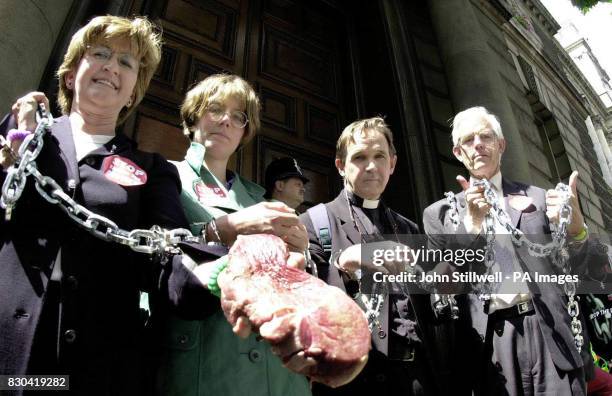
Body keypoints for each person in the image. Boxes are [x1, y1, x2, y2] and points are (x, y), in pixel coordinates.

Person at [0, 16, 222, 396]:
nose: (110, 66)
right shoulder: (23, 135)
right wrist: (14, 150)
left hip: (97, 364)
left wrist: (218, 275)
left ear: (133, 93)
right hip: (9, 348)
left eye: (126, 62)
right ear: (70, 76)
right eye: (100, 53)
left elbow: (167, 253)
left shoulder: (153, 169)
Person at [422, 106, 603, 395]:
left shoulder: (540, 198)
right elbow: (439, 291)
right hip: (490, 345)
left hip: (549, 334)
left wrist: (577, 229)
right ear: (458, 153)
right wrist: (469, 230)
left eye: (485, 136)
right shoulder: (439, 215)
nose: (478, 144)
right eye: (468, 140)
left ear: (501, 145)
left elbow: (589, 271)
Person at [153, 73, 312, 396]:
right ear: (193, 116)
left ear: (245, 131)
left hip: (276, 374)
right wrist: (226, 228)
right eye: (215, 108)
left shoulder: (260, 198)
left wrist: (301, 252)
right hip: (207, 362)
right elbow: (156, 251)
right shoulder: (165, 174)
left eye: (238, 116)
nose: (226, 121)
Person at [300, 117, 440, 395]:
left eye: (379, 156)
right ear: (341, 166)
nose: (372, 166)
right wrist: (344, 263)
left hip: (416, 377)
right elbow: (302, 294)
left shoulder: (409, 227)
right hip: (354, 381)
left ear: (393, 164)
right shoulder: (314, 221)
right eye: (360, 157)